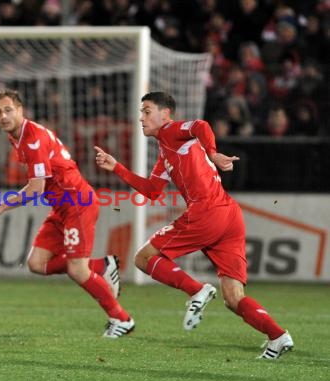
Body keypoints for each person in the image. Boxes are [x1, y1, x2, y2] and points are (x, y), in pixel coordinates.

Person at [95, 91, 293, 359]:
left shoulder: (170, 131)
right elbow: (153, 190)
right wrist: (117, 167)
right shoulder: (167, 150)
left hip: (206, 211)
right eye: (141, 112)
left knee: (143, 258)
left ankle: (197, 289)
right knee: (233, 298)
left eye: (147, 111)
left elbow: (201, 125)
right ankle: (278, 336)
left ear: (165, 114)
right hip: (229, 214)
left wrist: (213, 153)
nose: (141, 118)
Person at [0, 89, 134, 338]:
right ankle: (101, 265)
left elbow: (36, 188)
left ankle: (121, 319)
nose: (3, 116)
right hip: (61, 207)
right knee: (36, 263)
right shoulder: (18, 136)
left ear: (21, 110)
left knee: (77, 270)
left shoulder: (32, 138)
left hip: (77, 203)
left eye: (8, 110)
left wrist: (0, 206)